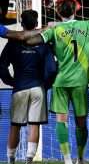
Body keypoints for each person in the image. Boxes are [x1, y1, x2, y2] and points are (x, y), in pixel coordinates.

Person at [18, 0, 89, 164]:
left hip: (61, 81)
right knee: (81, 123)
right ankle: (80, 158)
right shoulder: (87, 25)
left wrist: (46, 30)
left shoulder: (55, 29)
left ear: (59, 13)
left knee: (61, 121)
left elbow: (29, 41)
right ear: (75, 11)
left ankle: (67, 160)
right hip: (80, 81)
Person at [0, 10, 56, 164]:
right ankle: (29, 161)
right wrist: (45, 85)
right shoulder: (43, 42)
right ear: (37, 24)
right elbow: (52, 69)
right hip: (38, 87)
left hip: (19, 87)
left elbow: (2, 66)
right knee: (34, 126)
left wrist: (10, 81)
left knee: (15, 126)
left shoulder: (13, 42)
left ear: (22, 23)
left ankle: (11, 160)